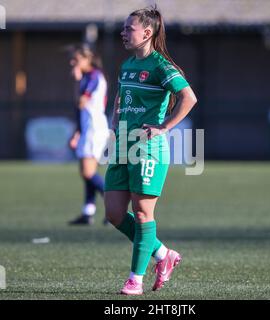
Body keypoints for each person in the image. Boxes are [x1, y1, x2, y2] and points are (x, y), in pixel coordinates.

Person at [104, 6, 197, 295]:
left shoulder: (161, 66)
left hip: (148, 150)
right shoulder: (127, 65)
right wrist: (116, 115)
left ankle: (135, 279)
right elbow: (122, 94)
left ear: (147, 33)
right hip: (122, 145)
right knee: (114, 214)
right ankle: (163, 254)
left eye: (128, 28)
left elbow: (188, 97)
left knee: (143, 214)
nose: (123, 32)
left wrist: (164, 127)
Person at [68, 45, 109, 225]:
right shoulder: (88, 77)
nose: (72, 63)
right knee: (86, 172)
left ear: (87, 59)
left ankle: (116, 207)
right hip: (88, 129)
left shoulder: (93, 77)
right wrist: (77, 132)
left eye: (76, 60)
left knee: (88, 172)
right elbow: (80, 109)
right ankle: (88, 212)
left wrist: (76, 82)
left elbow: (82, 102)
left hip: (94, 129)